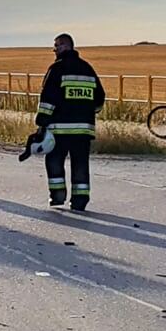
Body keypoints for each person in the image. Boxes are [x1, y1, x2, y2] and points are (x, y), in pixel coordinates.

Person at [35, 33, 104, 210]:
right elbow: (100, 99)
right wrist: (88, 112)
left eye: (56, 46)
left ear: (65, 46)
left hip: (59, 129)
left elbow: (48, 97)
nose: (54, 50)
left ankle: (58, 196)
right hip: (83, 130)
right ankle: (80, 201)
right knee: (80, 163)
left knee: (54, 161)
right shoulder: (87, 69)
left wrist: (42, 120)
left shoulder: (56, 69)